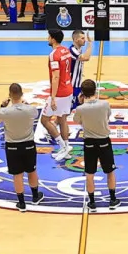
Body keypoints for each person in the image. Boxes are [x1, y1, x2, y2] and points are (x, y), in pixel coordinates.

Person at [0, 82, 44, 211]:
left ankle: (21, 203)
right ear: (22, 94)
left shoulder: (4, 112)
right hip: (28, 145)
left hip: (12, 146)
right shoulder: (30, 110)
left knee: (17, 174)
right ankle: (35, 196)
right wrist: (26, 104)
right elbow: (35, 113)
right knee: (32, 171)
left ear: (9, 95)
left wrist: (1, 107)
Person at [73, 80, 119, 210]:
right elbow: (107, 117)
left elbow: (77, 121)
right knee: (110, 171)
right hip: (104, 141)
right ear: (95, 90)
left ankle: (92, 203)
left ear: (82, 93)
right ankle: (113, 199)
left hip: (89, 143)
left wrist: (81, 103)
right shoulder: (105, 104)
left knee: (89, 174)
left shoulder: (80, 109)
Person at [41, 26, 76, 156]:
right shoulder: (66, 50)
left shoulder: (53, 55)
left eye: (49, 37)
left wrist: (53, 98)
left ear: (53, 39)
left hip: (59, 92)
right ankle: (66, 147)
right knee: (62, 119)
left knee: (44, 120)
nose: (47, 39)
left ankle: (62, 145)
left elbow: (56, 76)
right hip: (68, 89)